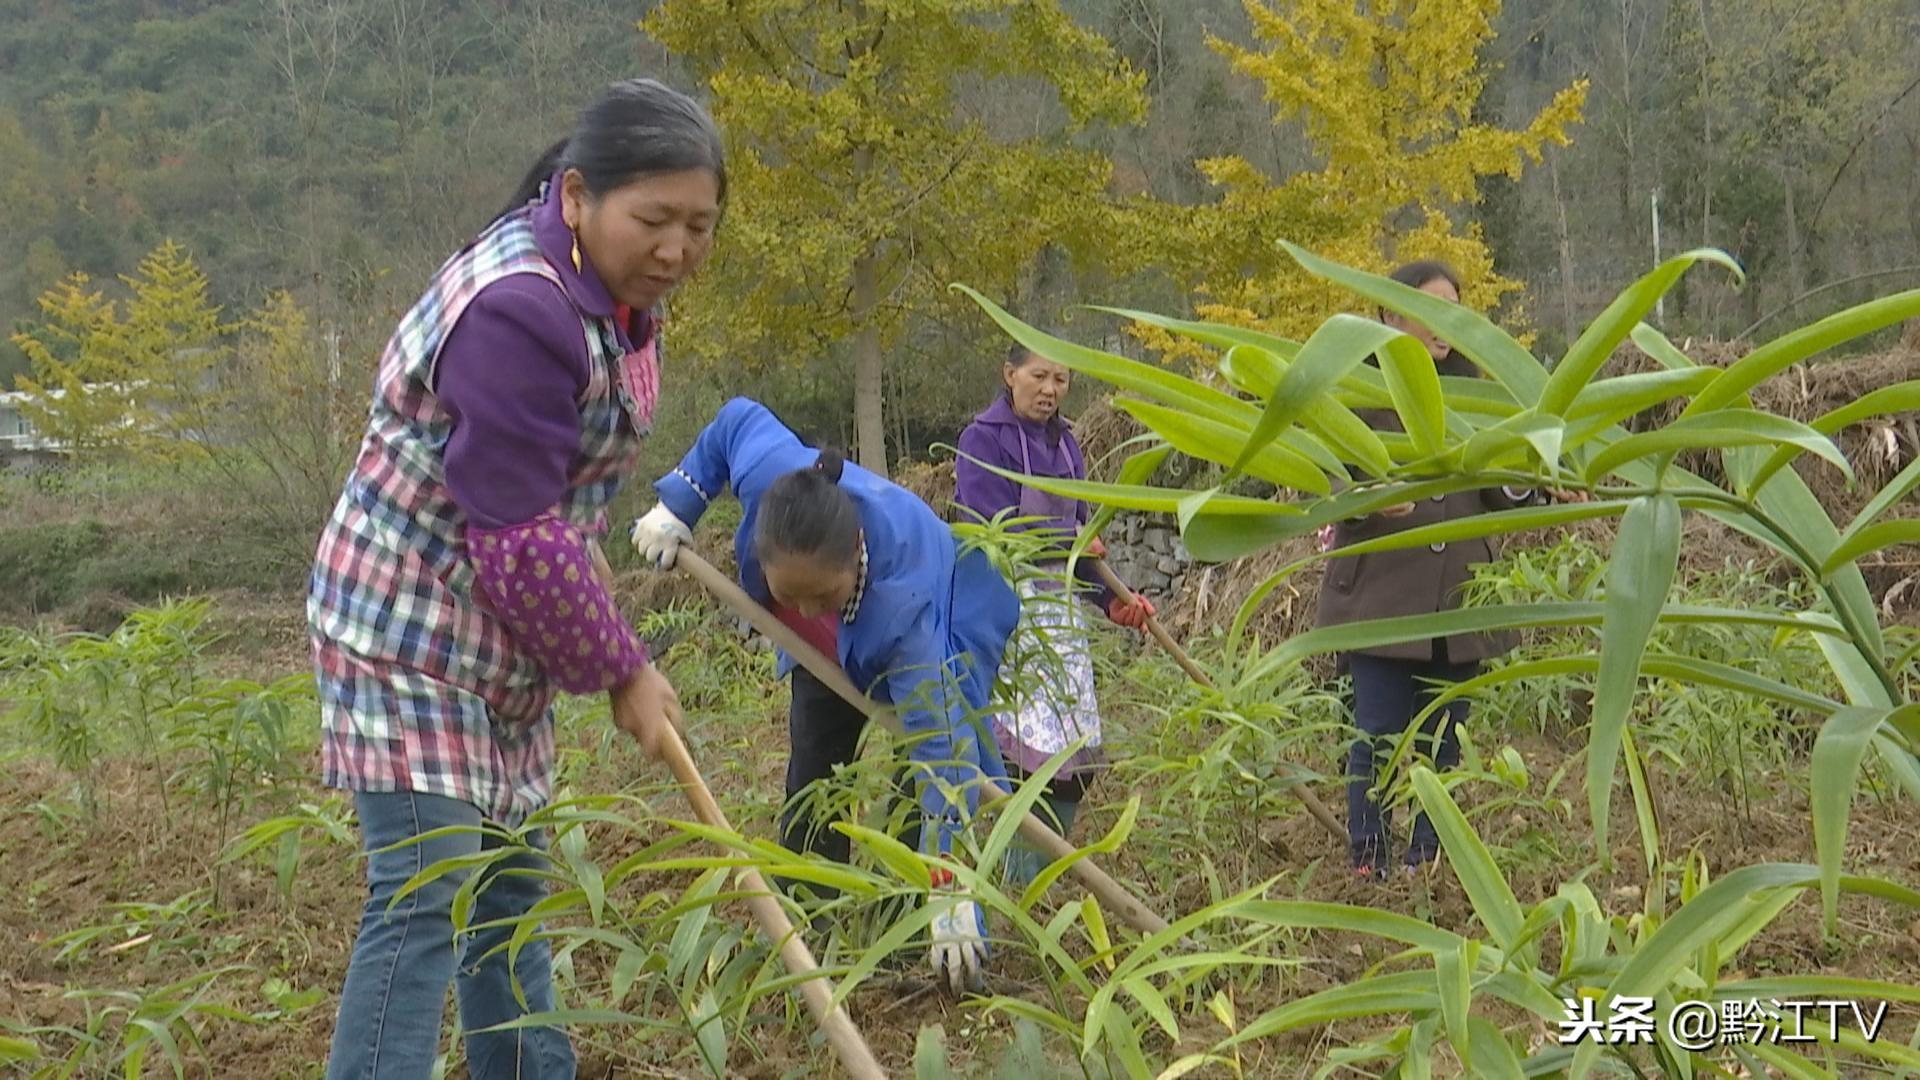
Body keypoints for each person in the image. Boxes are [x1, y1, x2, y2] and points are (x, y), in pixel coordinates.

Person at [307, 79, 723, 1077]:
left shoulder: (611, 296)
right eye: (654, 219)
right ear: (577, 196)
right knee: (427, 890)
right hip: (407, 630)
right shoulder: (521, 310)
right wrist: (625, 667)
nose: (676, 249)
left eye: (700, 225)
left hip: (494, 636)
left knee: (502, 887)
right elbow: (516, 538)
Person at [631, 397, 1019, 994]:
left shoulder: (907, 617)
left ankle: (920, 924)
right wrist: (678, 503)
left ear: (854, 558)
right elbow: (734, 418)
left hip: (954, 607)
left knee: (926, 776)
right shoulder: (773, 477)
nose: (807, 608)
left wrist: (951, 883)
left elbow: (943, 757)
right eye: (793, 595)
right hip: (823, 654)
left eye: (822, 595)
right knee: (815, 778)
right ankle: (810, 928)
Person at [1316, 260, 1550, 880]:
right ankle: (1370, 860)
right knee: (1376, 736)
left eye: (1456, 312)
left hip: (1459, 606)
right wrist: (1368, 496)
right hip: (1380, 604)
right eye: (1432, 310)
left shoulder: (1478, 397)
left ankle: (1429, 859)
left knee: (1446, 743)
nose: (1447, 326)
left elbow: (1502, 492)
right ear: (1390, 318)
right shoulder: (1356, 394)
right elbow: (1322, 475)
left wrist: (1536, 478)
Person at [953, 344, 1155, 885]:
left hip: (1061, 611)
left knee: (1074, 748)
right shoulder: (982, 440)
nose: (1049, 389)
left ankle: (1042, 869)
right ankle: (1006, 872)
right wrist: (1065, 541)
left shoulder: (1068, 445)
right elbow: (986, 525)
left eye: (1061, 379)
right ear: (1009, 372)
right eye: (1038, 376)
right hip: (1005, 608)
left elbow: (1086, 545)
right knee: (1017, 749)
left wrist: (1113, 600)